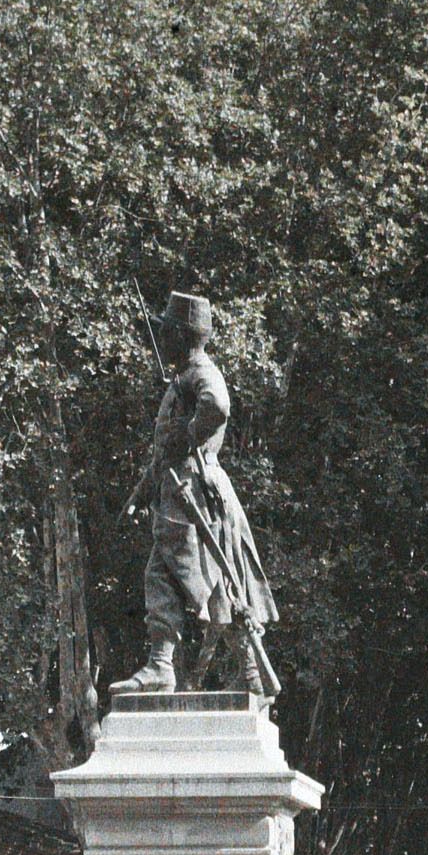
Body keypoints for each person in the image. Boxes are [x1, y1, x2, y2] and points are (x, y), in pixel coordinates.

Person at [123, 291, 278, 696]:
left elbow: (219, 408)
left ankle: (251, 672)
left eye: (166, 331)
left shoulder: (200, 372)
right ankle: (162, 666)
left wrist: (189, 434)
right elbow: (164, 450)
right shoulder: (181, 379)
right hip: (176, 492)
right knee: (165, 575)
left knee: (210, 584)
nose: (161, 337)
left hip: (194, 495)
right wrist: (142, 491)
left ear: (180, 334)